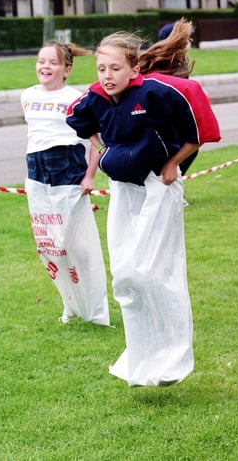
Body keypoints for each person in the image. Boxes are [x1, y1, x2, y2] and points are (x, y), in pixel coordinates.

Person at [66, 30, 209, 386]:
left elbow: (197, 134)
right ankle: (142, 360)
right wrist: (103, 149)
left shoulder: (156, 93)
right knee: (126, 276)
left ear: (134, 68)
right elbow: (81, 122)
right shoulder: (95, 98)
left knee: (155, 273)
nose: (107, 75)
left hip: (157, 188)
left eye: (115, 67)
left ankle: (173, 361)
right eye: (101, 68)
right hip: (123, 191)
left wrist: (172, 164)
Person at [22, 40, 109, 326]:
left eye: (53, 62)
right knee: (51, 245)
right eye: (41, 60)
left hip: (68, 168)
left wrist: (89, 175)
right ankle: (69, 302)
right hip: (37, 173)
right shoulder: (27, 96)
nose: (45, 66)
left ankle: (95, 309)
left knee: (76, 244)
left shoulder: (76, 98)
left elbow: (94, 140)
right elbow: (35, 137)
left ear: (67, 69)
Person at [138, 18, 221, 175]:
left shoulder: (177, 63)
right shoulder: (167, 66)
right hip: (164, 130)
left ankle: (175, 183)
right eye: (186, 38)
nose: (189, 42)